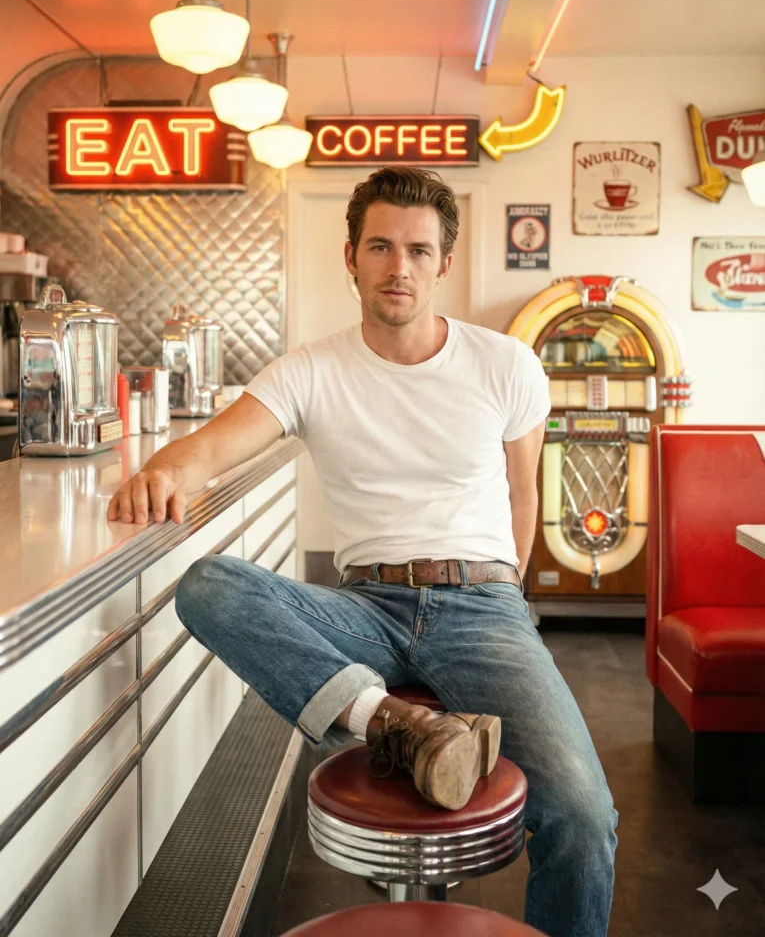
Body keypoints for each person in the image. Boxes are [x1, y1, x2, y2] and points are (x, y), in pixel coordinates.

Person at [107, 166, 618, 937]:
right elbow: (208, 448)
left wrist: (507, 596)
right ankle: (392, 724)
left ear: (443, 262)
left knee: (583, 818)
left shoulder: (504, 364)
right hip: (363, 608)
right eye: (379, 246)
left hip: (481, 604)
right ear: (350, 256)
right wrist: (166, 467)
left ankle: (387, 718)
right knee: (208, 585)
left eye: (417, 250)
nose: (398, 266)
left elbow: (523, 498)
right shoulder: (311, 368)